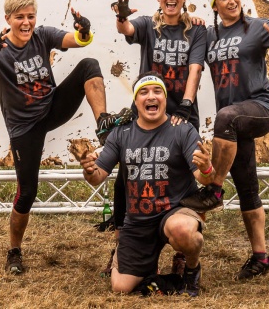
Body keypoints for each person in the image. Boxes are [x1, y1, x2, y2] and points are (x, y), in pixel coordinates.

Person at [0, 0, 124, 275]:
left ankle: (103, 126)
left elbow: (77, 40)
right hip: (25, 128)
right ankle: (14, 251)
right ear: (8, 19)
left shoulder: (42, 35)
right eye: (19, 17)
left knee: (89, 65)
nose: (26, 23)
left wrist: (84, 30)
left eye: (30, 16)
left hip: (52, 107)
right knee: (27, 193)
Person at [180, 0, 269, 281]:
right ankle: (261, 258)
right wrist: (190, 20)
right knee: (248, 187)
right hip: (233, 126)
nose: (232, 0)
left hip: (259, 108)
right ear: (215, 6)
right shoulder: (209, 35)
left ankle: (214, 189)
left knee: (225, 117)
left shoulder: (258, 27)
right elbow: (184, 40)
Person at [100, 0, 207, 273]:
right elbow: (127, 28)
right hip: (147, 110)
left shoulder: (196, 30)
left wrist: (186, 106)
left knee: (190, 180)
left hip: (182, 113)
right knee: (128, 177)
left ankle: (183, 253)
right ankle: (122, 245)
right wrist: (121, 17)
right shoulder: (149, 24)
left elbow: (195, 68)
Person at [82, 73, 215, 296]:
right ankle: (153, 272)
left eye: (157, 91)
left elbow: (204, 179)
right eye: (143, 92)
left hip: (175, 211)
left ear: (165, 99)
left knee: (182, 229)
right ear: (136, 101)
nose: (151, 96)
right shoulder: (121, 134)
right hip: (138, 221)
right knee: (121, 287)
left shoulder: (182, 130)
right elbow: (98, 176)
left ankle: (191, 270)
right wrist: (89, 171)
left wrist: (206, 168)